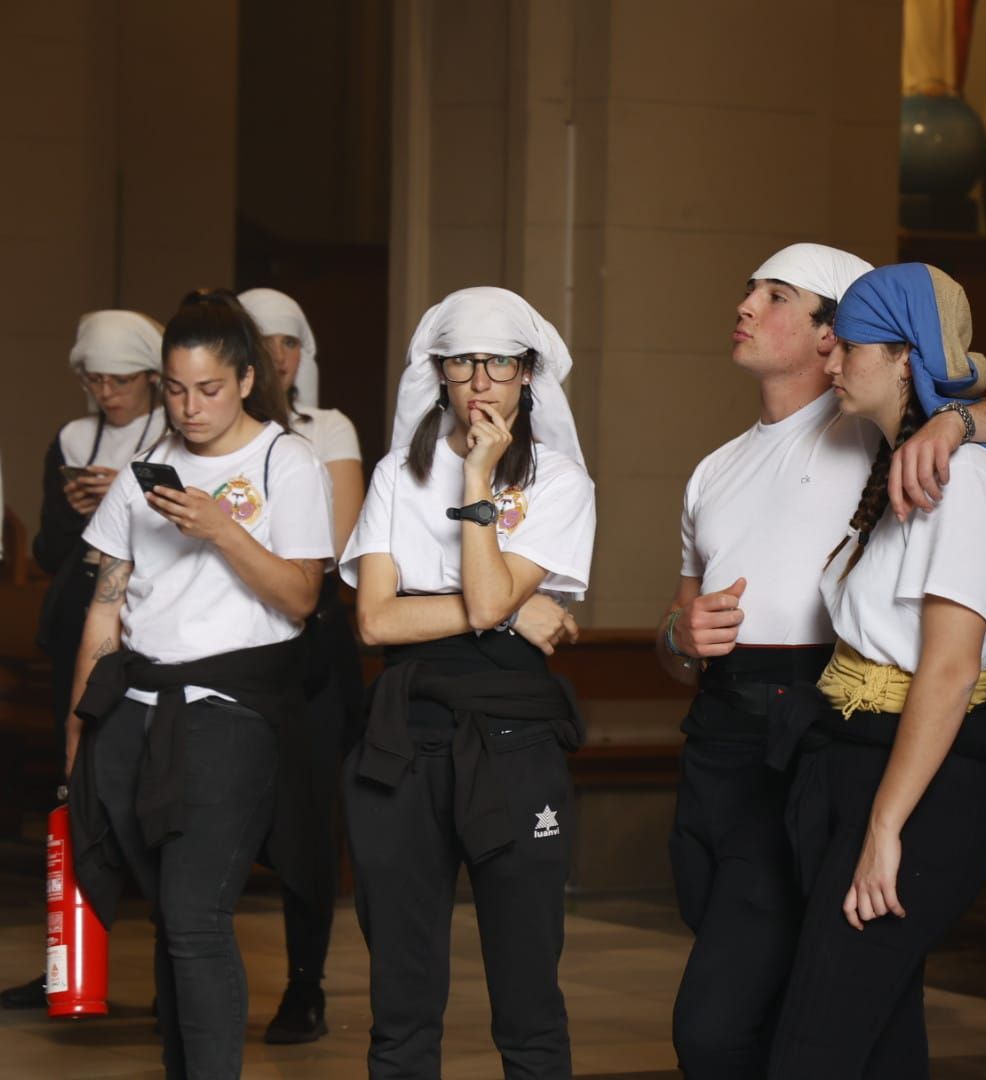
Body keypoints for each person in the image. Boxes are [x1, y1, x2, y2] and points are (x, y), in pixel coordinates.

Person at [662, 244, 986, 1078]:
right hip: (812, 747)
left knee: (799, 1038)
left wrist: (961, 417)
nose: (745, 306)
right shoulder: (872, 461)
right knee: (874, 1038)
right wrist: (677, 637)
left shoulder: (937, 465)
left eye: (776, 297)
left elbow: (950, 670)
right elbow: (679, 626)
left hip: (886, 757)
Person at [65, 289, 334, 1077]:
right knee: (169, 923)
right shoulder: (142, 477)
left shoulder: (288, 462)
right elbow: (103, 611)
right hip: (135, 713)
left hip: (231, 713)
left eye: (208, 389)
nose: (189, 407)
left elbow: (301, 597)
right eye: (176, 389)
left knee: (195, 918)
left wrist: (221, 529)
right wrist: (79, 736)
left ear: (247, 379)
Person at [340, 286, 595, 1079]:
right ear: (439, 372)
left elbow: (475, 599)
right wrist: (515, 613)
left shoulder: (559, 483)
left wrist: (479, 483)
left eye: (500, 362)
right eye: (462, 361)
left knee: (527, 1002)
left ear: (528, 376)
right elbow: (376, 624)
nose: (481, 378)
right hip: (402, 739)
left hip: (514, 743)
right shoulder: (394, 473)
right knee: (402, 1004)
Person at [1, 311, 166, 1013]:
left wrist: (125, 500)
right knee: (74, 796)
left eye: (121, 380)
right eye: (94, 380)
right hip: (80, 627)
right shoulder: (72, 438)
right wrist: (78, 510)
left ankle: (172, 975)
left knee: (149, 801)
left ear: (153, 378)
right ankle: (65, 963)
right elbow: (43, 551)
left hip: (150, 631)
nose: (107, 393)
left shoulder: (177, 430)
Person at [239, 287, 366, 1043]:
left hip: (312, 650)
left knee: (308, 822)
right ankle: (190, 971)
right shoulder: (217, 436)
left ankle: (304, 985)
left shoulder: (330, 428)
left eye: (290, 342)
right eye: (263, 340)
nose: (279, 354)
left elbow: (332, 551)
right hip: (234, 647)